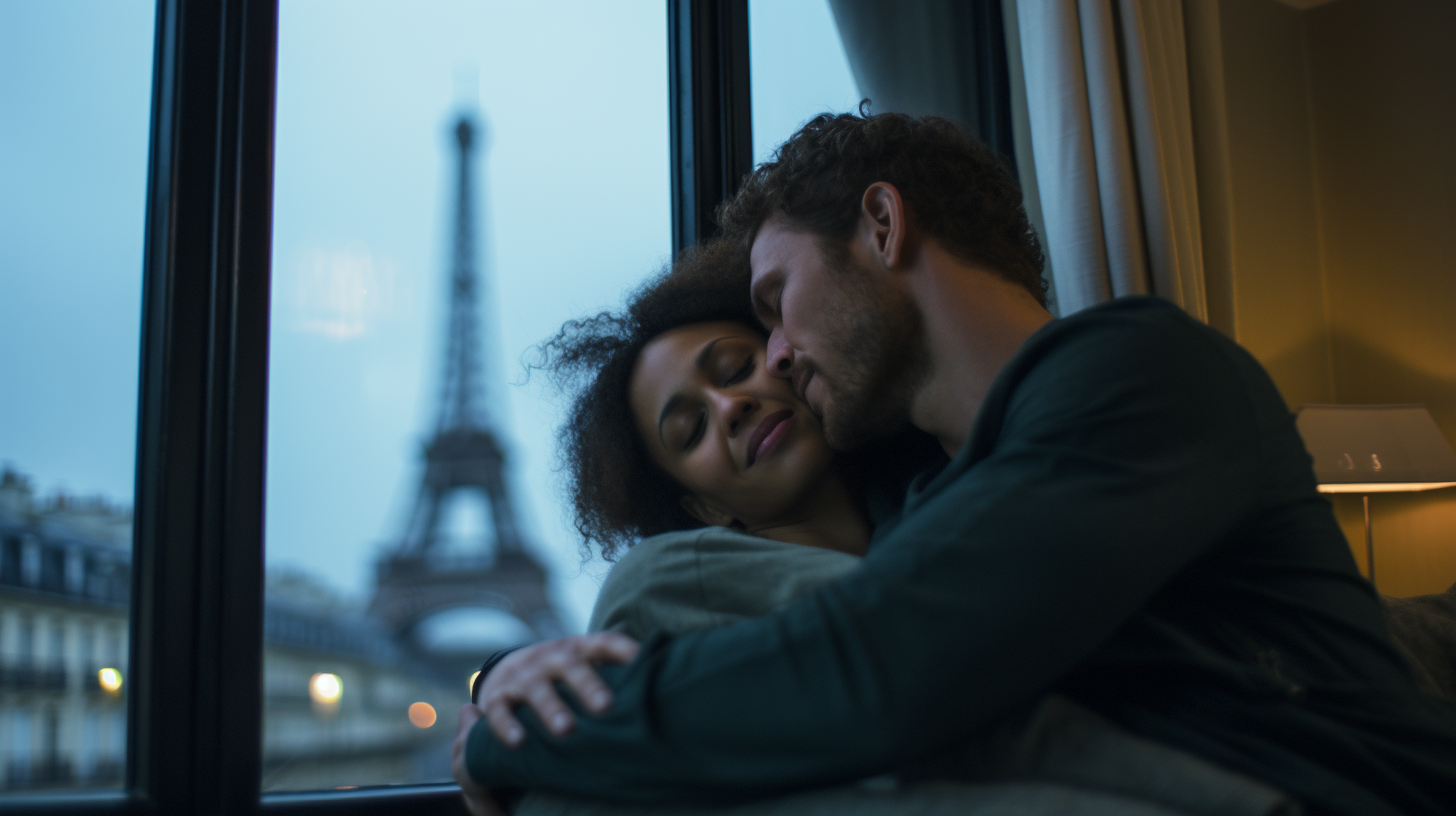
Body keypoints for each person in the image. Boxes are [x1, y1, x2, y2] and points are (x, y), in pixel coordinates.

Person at [457, 113, 1456, 815]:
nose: (771, 360)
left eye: (771, 304)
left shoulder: (1139, 367)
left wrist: (516, 732)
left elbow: (876, 662)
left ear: (882, 226)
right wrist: (504, 674)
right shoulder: (929, 494)